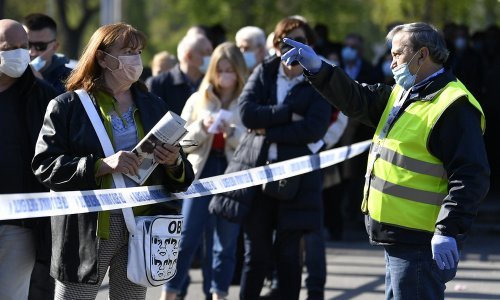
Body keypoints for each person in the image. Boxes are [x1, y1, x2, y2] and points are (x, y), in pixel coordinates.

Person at [282, 22, 490, 299]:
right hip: (400, 237)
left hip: (421, 240)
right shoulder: (405, 92)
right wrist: (319, 69)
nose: (391, 62)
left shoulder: (453, 105)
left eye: (397, 54)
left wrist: (448, 228)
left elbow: (471, 175)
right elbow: (358, 99)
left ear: (422, 55)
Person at [31, 23, 195, 300]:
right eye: (128, 51)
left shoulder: (153, 104)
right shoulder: (67, 106)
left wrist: (173, 162)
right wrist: (100, 165)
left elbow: (183, 176)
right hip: (88, 229)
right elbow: (45, 166)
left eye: (138, 51)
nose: (136, 58)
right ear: (103, 58)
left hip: (142, 226)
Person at [237, 17, 331, 300]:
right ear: (275, 46)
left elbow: (314, 127)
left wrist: (268, 128)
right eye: (283, 41)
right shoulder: (264, 71)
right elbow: (246, 113)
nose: (290, 47)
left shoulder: (320, 77)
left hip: (297, 179)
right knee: (256, 256)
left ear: (310, 46)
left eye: (299, 41)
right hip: (258, 174)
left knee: (289, 256)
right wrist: (289, 114)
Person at [161, 42, 247, 300]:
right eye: (219, 69)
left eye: (230, 69)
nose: (224, 75)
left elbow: (252, 143)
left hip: (232, 172)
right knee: (186, 238)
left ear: (239, 71)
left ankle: (219, 293)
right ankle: (170, 292)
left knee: (225, 243)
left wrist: (231, 132)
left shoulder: (246, 100)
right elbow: (182, 144)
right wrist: (202, 126)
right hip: (201, 171)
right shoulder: (198, 98)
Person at [0, 19, 56, 300]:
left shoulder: (42, 96)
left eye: (25, 47)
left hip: (21, 223)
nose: (22, 54)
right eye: (11, 48)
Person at [147, 33, 213, 115]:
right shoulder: (157, 84)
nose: (211, 57)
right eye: (206, 53)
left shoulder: (213, 81)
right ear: (189, 56)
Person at [22, 13, 72, 95]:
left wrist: (41, 86)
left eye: (40, 46)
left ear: (55, 47)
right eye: (27, 45)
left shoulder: (71, 80)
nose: (31, 52)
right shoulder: (9, 76)